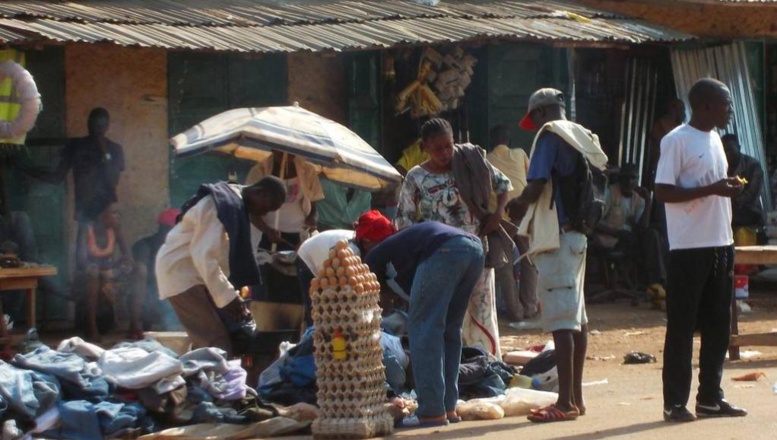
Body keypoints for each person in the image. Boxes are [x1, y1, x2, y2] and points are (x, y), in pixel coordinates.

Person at [509, 88, 608, 422]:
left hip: (560, 238)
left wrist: (516, 205)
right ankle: (575, 399)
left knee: (562, 323)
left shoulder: (550, 135)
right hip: (578, 237)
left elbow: (536, 185)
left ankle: (564, 402)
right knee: (577, 321)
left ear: (541, 113)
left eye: (534, 117)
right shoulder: (581, 135)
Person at [655, 78, 748, 422]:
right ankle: (674, 403)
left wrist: (729, 189)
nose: (730, 111)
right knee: (681, 327)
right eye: (725, 104)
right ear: (706, 106)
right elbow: (663, 192)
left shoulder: (715, 140)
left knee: (718, 326)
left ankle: (710, 397)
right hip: (688, 248)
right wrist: (714, 189)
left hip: (720, 243)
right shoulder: (676, 140)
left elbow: (713, 187)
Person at [395, 118, 512, 359]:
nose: (445, 153)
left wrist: (498, 215)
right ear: (425, 146)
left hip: (478, 253)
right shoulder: (416, 178)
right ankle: (453, 370)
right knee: (446, 316)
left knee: (481, 312)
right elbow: (404, 221)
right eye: (438, 148)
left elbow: (503, 185)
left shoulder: (469, 161)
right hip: (440, 258)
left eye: (448, 146)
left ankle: (486, 365)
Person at [363, 221, 484, 428]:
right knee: (449, 330)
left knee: (424, 329)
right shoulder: (400, 257)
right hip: (474, 249)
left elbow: (377, 296)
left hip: (444, 249)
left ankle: (431, 411)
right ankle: (448, 407)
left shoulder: (372, 260)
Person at [155, 176, 287, 357]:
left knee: (223, 336)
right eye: (266, 207)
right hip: (181, 273)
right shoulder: (220, 205)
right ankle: (217, 383)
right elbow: (204, 256)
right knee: (215, 343)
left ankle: (201, 377)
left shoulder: (233, 203)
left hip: (196, 274)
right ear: (259, 192)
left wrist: (229, 293)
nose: (264, 213)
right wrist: (228, 297)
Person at [24, 107, 129, 260]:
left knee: (108, 249)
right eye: (93, 125)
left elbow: (113, 182)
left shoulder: (114, 149)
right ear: (88, 124)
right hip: (85, 207)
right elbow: (56, 177)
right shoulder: (77, 146)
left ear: (107, 127)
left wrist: (104, 152)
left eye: (100, 126)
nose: (96, 130)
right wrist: (26, 169)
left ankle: (105, 277)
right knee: (82, 259)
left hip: (106, 206)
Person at [245, 151, 324, 303]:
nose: (287, 156)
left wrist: (312, 220)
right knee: (268, 282)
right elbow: (251, 211)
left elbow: (314, 207)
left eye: (291, 152)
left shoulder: (307, 171)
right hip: (267, 236)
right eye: (281, 152)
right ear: (274, 149)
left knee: (296, 284)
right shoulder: (259, 172)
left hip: (298, 238)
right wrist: (267, 231)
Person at [486, 124, 538, 323]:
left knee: (504, 267)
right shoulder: (519, 153)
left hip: (499, 219)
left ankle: (515, 312)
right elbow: (530, 178)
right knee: (529, 259)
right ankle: (530, 307)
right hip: (523, 214)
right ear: (509, 142)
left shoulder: (486, 159)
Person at [593, 164, 667, 289]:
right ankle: (655, 282)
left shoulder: (638, 200)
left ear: (637, 180)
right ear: (619, 179)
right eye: (625, 178)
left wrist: (648, 201)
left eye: (632, 178)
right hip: (609, 238)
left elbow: (643, 227)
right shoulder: (610, 193)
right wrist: (616, 232)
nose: (628, 182)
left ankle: (656, 282)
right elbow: (594, 221)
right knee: (649, 240)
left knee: (654, 235)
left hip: (627, 239)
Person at [74, 199, 132, 342]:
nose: (117, 216)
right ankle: (91, 327)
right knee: (93, 273)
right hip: (87, 276)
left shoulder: (116, 229)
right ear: (101, 216)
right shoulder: (86, 229)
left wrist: (125, 265)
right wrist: (111, 266)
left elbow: (128, 257)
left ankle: (136, 324)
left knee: (140, 271)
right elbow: (81, 263)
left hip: (109, 274)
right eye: (113, 213)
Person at [127, 208, 181, 339]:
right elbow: (140, 272)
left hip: (171, 306)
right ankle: (136, 324)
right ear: (165, 229)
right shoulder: (144, 245)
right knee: (140, 271)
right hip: (148, 303)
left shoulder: (180, 247)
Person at [722, 134, 765, 235]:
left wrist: (730, 203)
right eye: (725, 151)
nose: (728, 154)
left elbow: (751, 195)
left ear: (739, 147)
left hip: (749, 214)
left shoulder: (753, 165)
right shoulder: (722, 167)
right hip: (729, 214)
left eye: (730, 150)